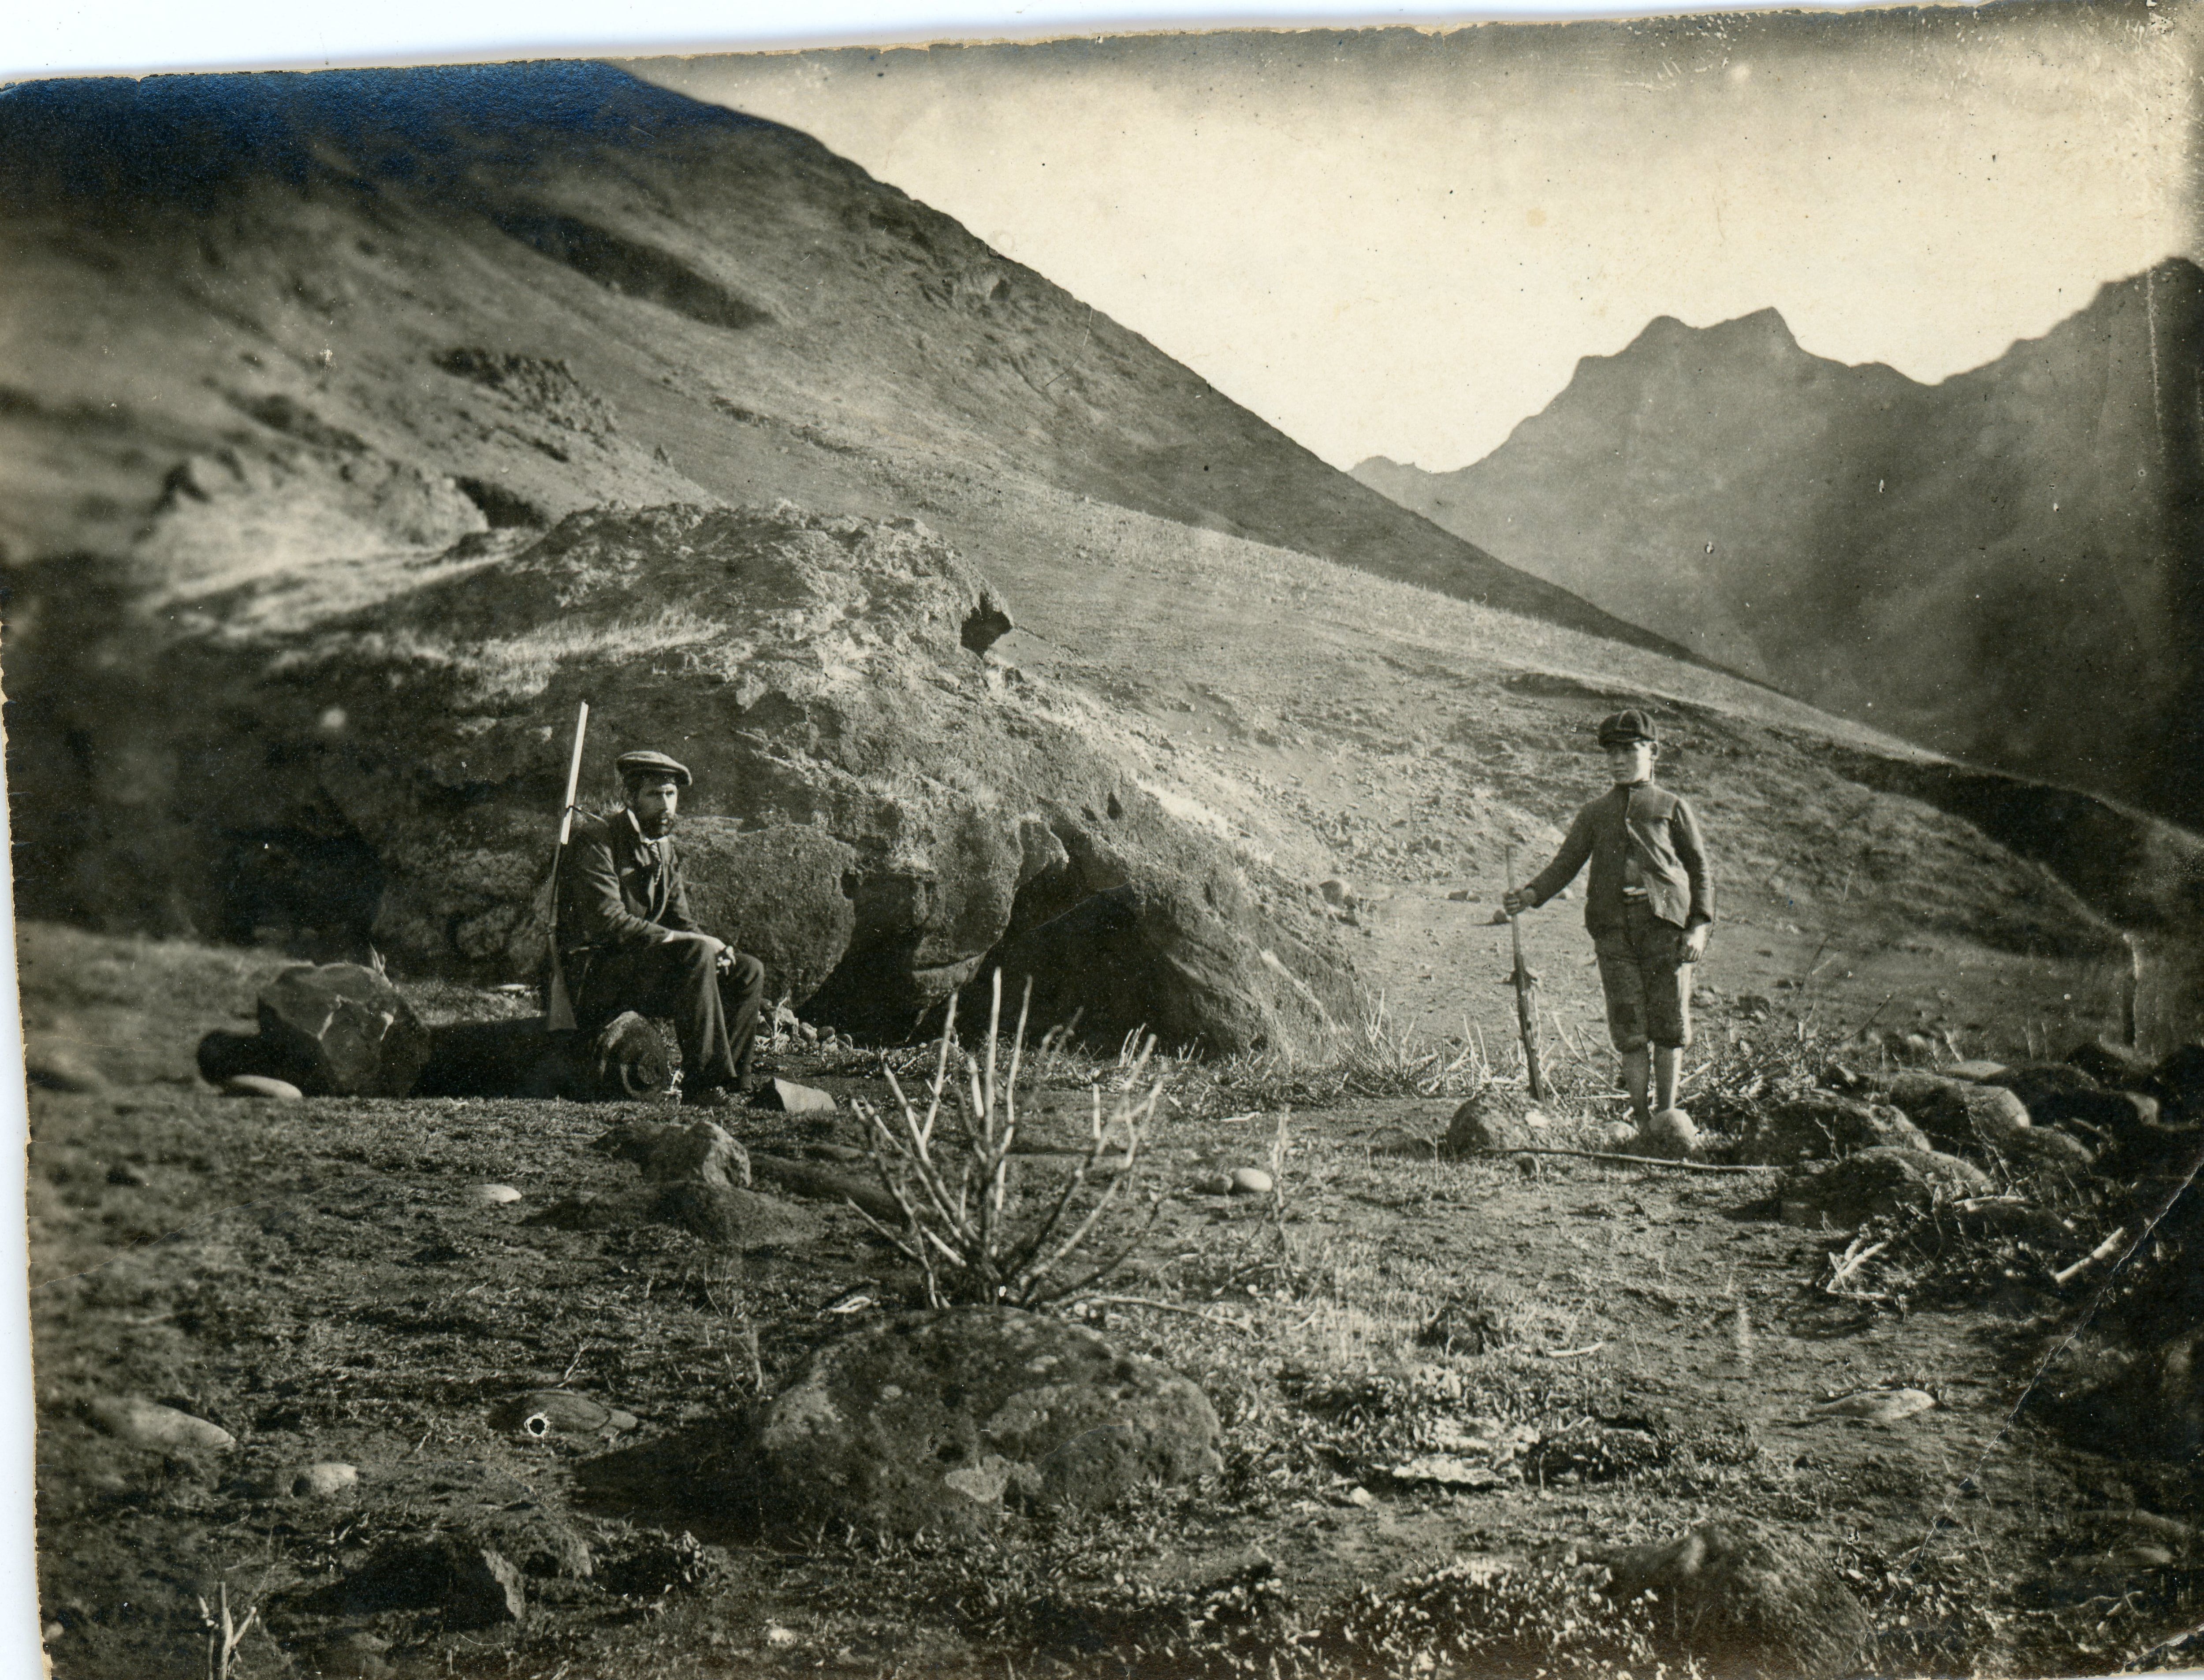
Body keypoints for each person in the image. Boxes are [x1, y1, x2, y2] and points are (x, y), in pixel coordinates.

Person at [1503, 709, 1714, 1132]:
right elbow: (1565, 864)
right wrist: (1529, 894)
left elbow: (1701, 870)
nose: (1618, 760)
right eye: (1611, 753)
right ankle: (1638, 1122)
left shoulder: (1673, 807)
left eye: (1629, 750)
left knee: (1670, 1026)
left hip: (1666, 930)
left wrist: (1700, 925)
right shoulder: (1596, 813)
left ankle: (1666, 1120)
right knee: (1629, 1028)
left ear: (1652, 753)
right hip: (1614, 931)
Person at [555, 749, 766, 1109]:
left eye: (671, 794)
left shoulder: (664, 849)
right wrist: (696, 943)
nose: (666, 805)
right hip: (598, 978)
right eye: (655, 794)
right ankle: (704, 1085)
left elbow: (681, 920)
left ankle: (735, 1083)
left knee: (747, 969)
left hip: (644, 971)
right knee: (698, 951)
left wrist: (716, 948)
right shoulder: (598, 840)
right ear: (630, 797)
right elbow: (609, 922)